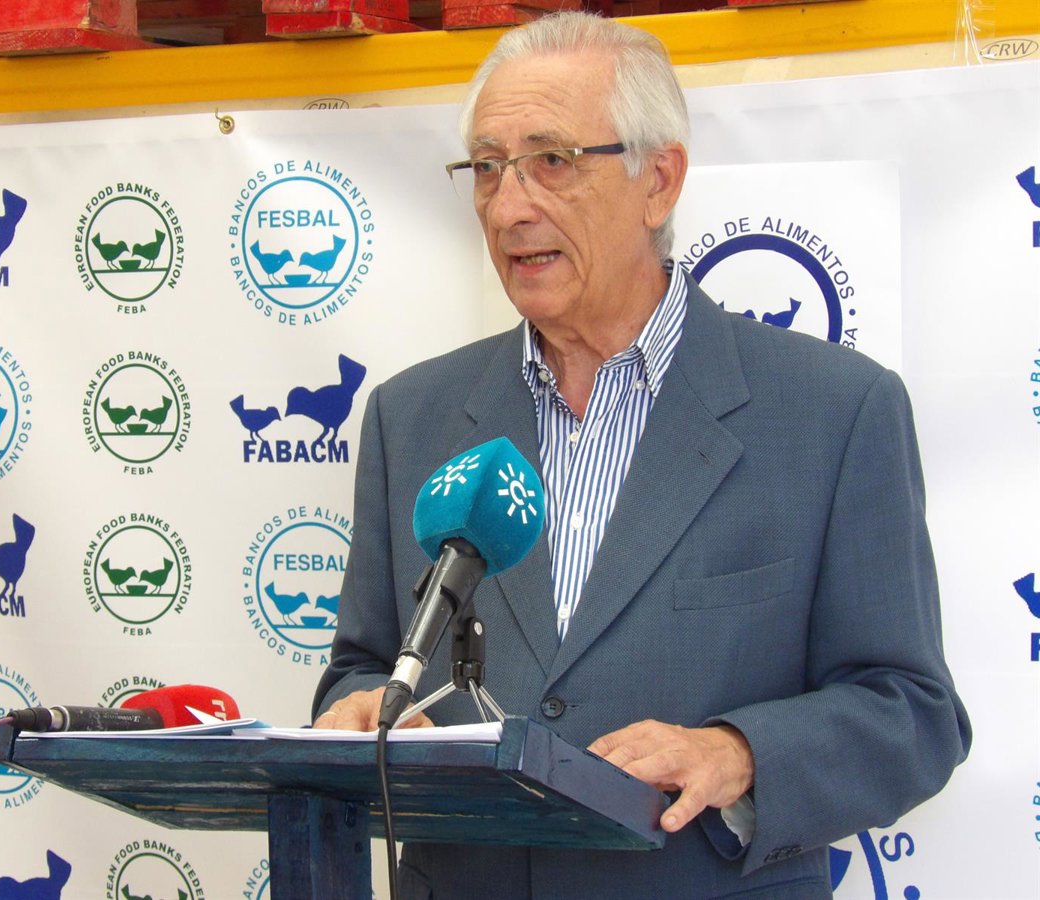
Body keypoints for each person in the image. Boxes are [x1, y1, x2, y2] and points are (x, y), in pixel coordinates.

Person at [312, 11, 971, 898]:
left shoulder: (834, 413)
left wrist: (737, 752)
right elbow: (361, 667)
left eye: (552, 161)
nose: (508, 208)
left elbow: (913, 716)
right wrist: (357, 715)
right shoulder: (411, 417)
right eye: (488, 168)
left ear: (658, 181)